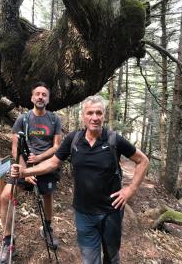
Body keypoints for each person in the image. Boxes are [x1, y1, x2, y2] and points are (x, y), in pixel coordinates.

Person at [11, 95, 149, 264]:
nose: (95, 117)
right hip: (84, 214)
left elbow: (143, 160)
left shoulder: (114, 139)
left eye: (99, 113)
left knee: (112, 257)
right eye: (90, 113)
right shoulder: (73, 139)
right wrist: (25, 172)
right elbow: (53, 163)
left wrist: (130, 189)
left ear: (104, 116)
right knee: (90, 260)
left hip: (111, 212)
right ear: (83, 116)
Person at [0, 82, 62, 263]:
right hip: (23, 165)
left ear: (48, 99)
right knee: (5, 196)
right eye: (37, 94)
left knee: (47, 196)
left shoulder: (55, 120)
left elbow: (57, 147)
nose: (40, 97)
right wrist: (25, 171)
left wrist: (39, 160)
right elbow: (16, 148)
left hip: (45, 165)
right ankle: (8, 241)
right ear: (32, 98)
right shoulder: (22, 120)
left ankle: (47, 229)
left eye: (44, 95)